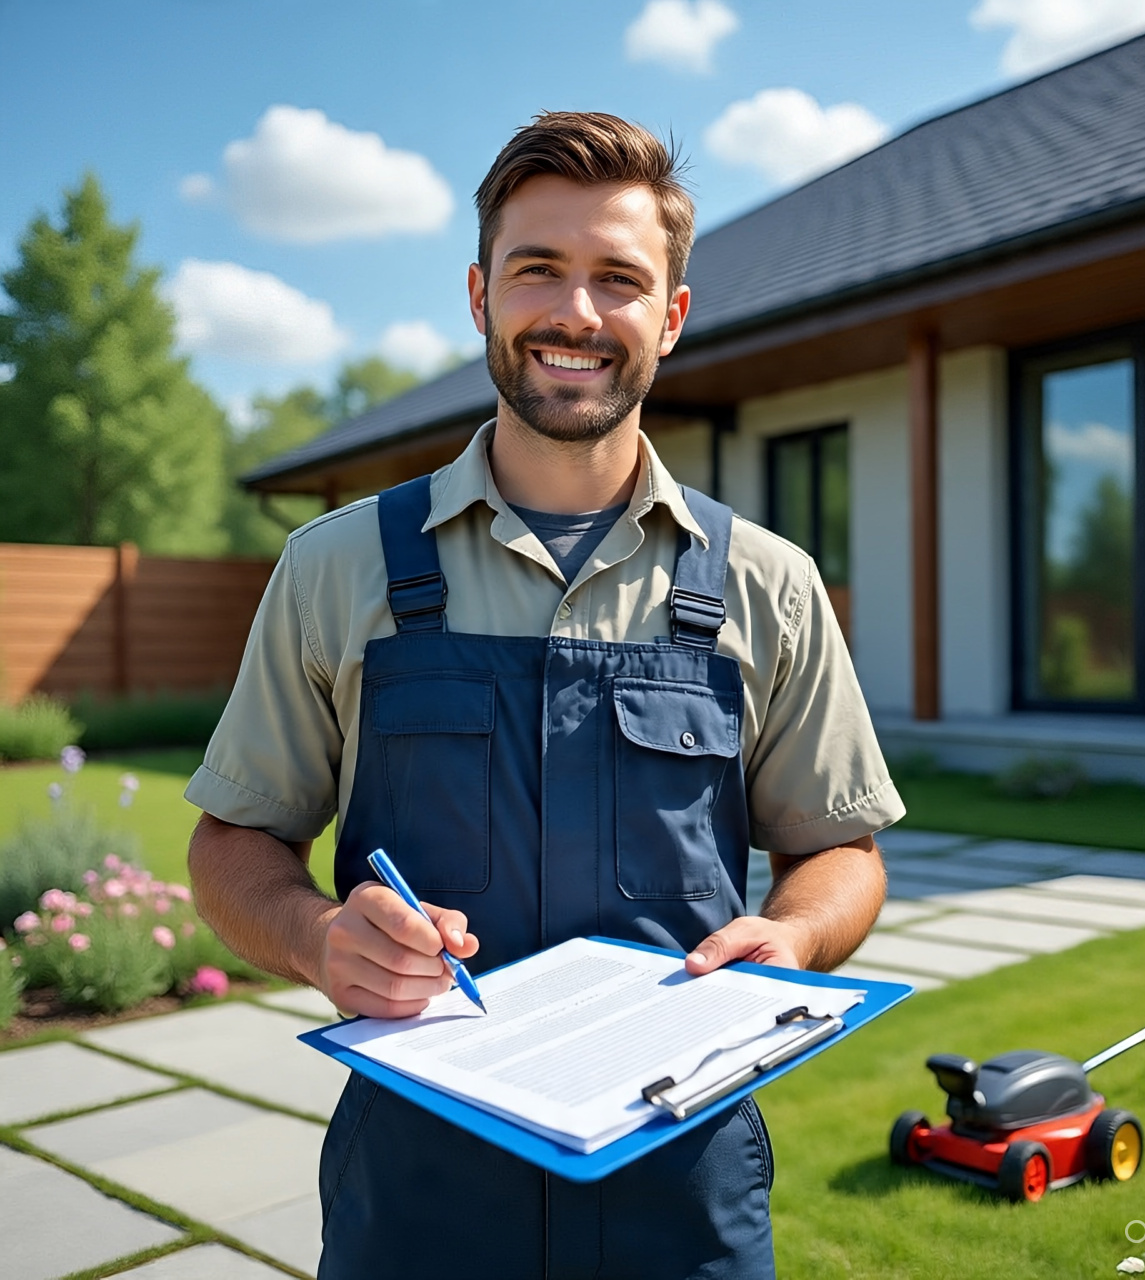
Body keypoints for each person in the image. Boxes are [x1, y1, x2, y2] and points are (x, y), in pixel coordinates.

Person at [186, 111, 904, 1280]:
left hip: (687, 1179)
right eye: (538, 270)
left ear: (668, 318)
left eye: (618, 278)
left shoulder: (766, 583)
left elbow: (842, 851)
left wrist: (799, 929)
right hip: (415, 1190)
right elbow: (233, 839)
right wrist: (320, 937)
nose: (576, 312)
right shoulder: (336, 567)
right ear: (480, 295)